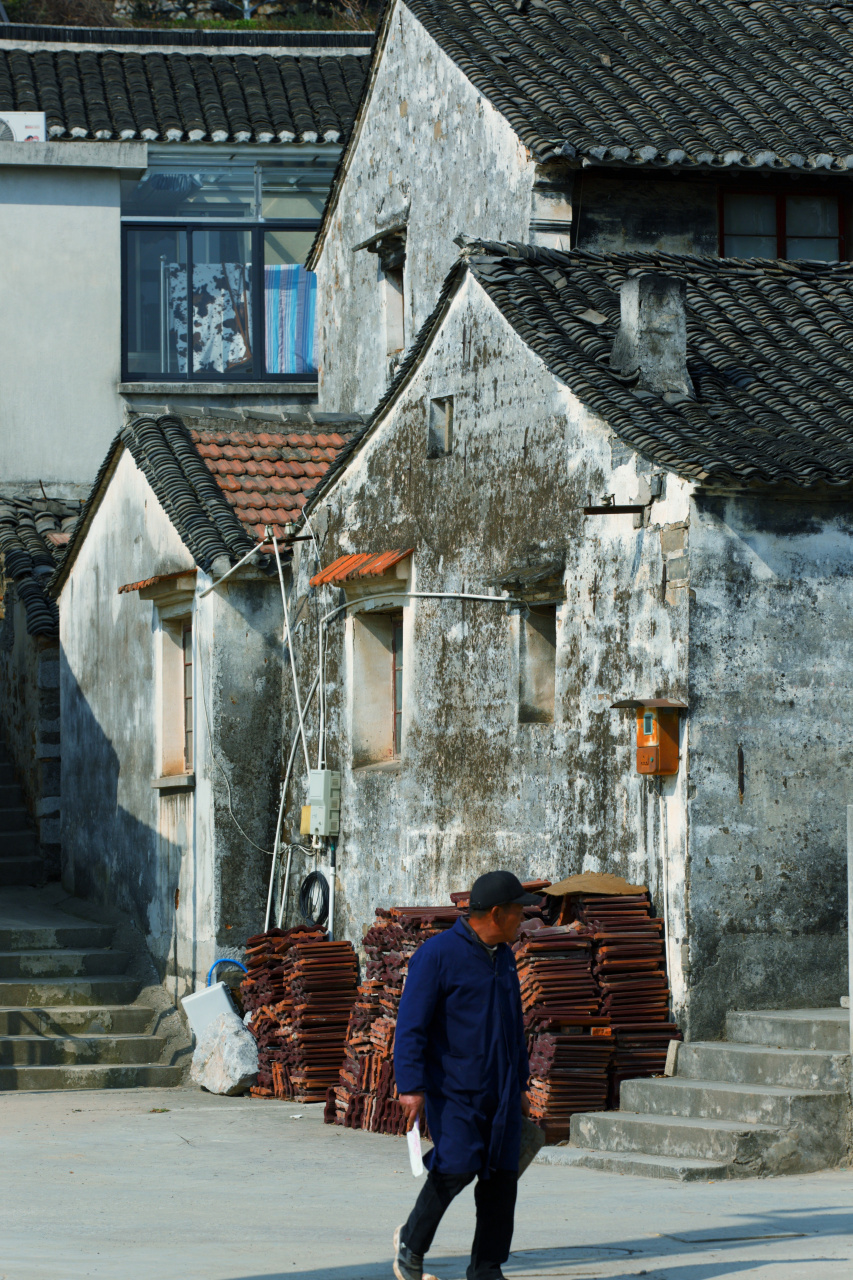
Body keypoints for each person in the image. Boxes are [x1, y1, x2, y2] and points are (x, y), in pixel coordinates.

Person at [392, 870, 539, 1280]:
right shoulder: (437, 956)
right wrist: (411, 1087)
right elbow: (411, 1026)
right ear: (496, 913)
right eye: (518, 912)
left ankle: (487, 1269)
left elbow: (514, 1024)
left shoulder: (505, 956)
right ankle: (411, 1245)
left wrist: (523, 1083)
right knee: (454, 1167)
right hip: (455, 1089)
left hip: (503, 1088)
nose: (523, 921)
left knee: (502, 1180)